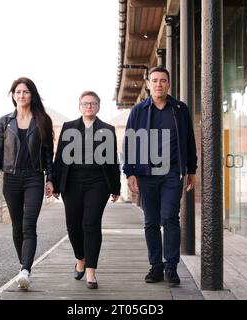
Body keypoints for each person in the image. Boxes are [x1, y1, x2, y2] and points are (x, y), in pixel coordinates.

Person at [123, 66, 197, 286]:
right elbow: (130, 143)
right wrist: (130, 172)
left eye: (162, 80)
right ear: (149, 84)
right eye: (154, 80)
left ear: (169, 84)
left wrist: (191, 170)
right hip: (146, 173)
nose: (158, 84)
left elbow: (189, 141)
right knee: (151, 220)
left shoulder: (180, 110)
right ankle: (156, 266)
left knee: (170, 217)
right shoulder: (138, 111)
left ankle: (171, 267)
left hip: (172, 172)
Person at [0, 77, 54, 290]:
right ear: (13, 95)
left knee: (29, 224)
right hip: (11, 179)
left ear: (31, 95)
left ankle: (25, 270)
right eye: (18, 92)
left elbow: (48, 155)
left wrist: (50, 178)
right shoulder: (4, 122)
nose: (22, 95)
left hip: (34, 177)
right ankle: (22, 265)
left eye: (25, 92)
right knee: (17, 227)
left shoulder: (42, 120)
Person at [53, 91, 121, 289]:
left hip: (97, 183)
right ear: (79, 106)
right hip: (72, 183)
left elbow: (112, 161)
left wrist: (115, 187)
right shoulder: (68, 128)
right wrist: (56, 184)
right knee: (73, 225)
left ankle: (91, 270)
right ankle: (80, 258)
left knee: (91, 224)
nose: (89, 106)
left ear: (98, 106)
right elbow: (60, 158)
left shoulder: (107, 129)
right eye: (85, 103)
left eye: (92, 103)